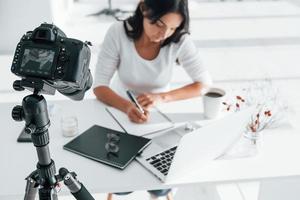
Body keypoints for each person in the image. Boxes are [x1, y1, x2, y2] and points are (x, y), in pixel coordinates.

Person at [93, 0, 212, 199]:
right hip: (119, 113)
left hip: (158, 118)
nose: (164, 35)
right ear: (143, 9)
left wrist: (162, 97)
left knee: (160, 182)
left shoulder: (178, 40)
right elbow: (99, 87)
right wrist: (127, 107)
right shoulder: (118, 32)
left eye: (173, 27)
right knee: (121, 184)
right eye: (159, 25)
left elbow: (204, 84)